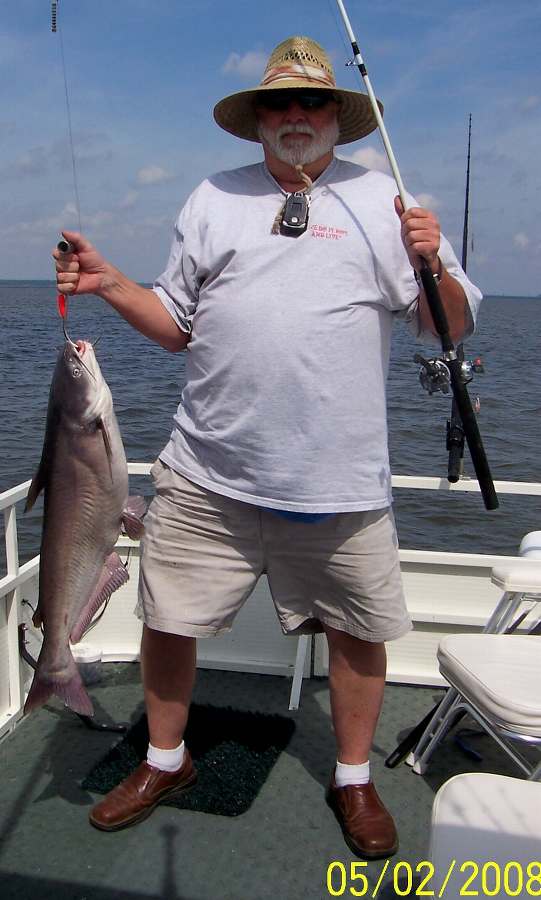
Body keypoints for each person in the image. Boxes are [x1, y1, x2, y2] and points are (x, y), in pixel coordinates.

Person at [54, 36, 481, 858]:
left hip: (341, 483)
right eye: (278, 104)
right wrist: (108, 283)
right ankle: (164, 757)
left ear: (337, 118)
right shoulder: (213, 195)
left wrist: (434, 265)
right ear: (256, 120)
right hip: (207, 471)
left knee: (359, 633)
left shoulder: (385, 200)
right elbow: (177, 328)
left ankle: (352, 778)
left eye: (312, 103)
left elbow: (447, 325)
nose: (295, 117)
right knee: (167, 618)